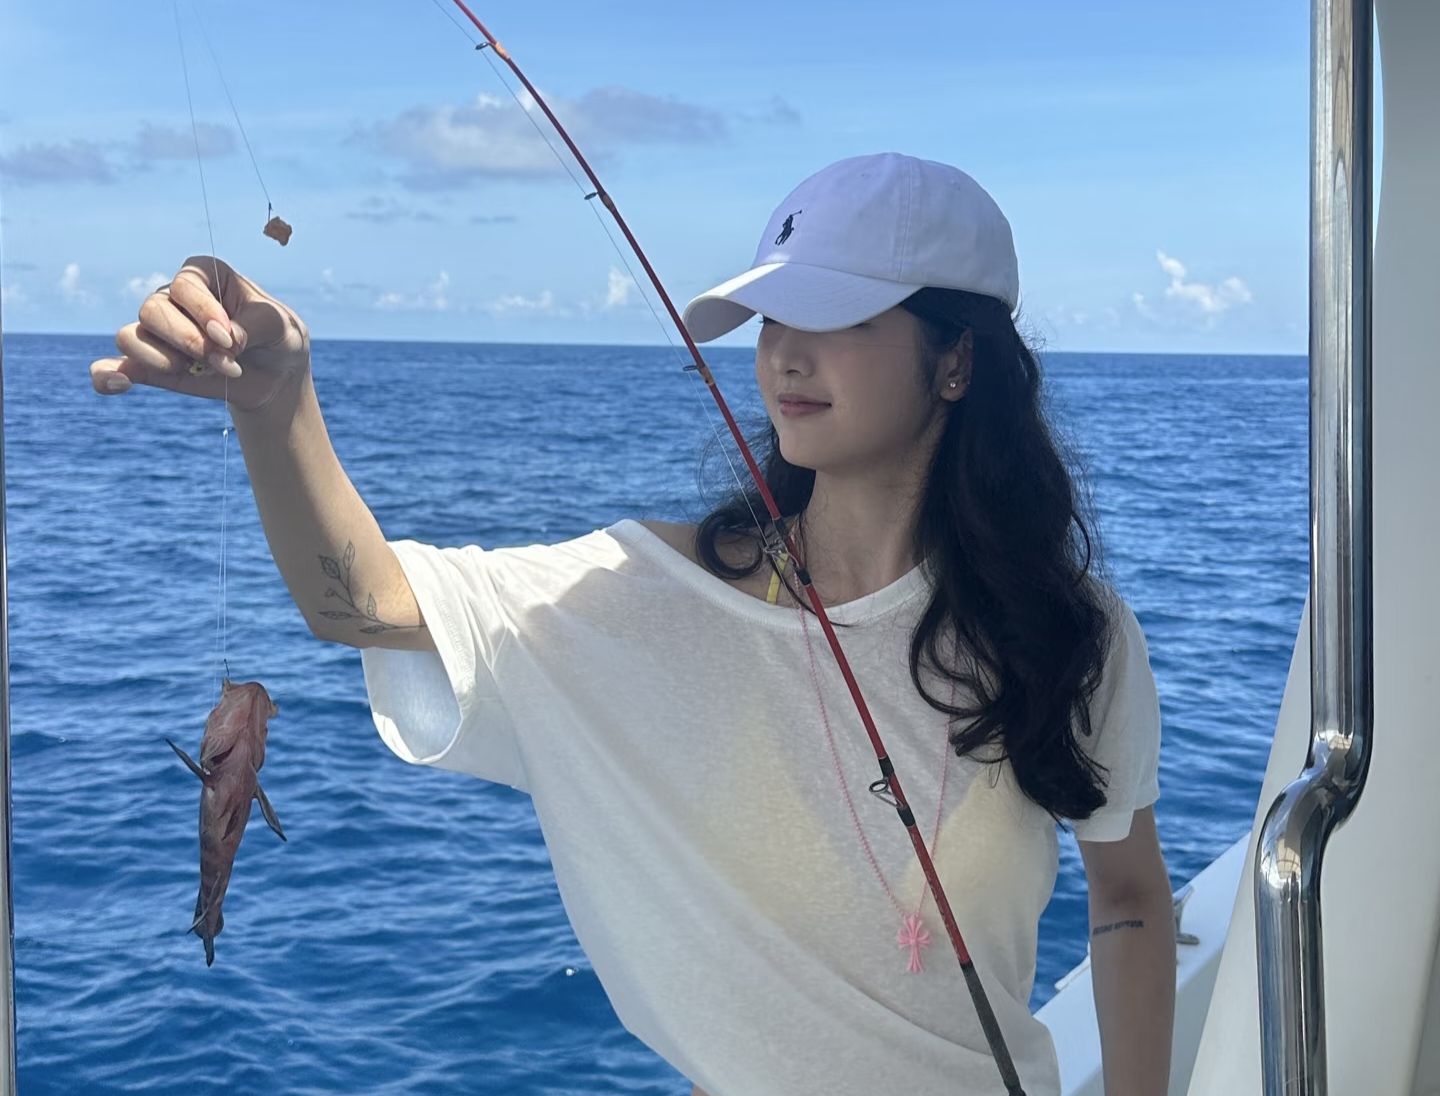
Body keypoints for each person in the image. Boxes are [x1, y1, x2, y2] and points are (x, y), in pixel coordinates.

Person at [88, 153, 1175, 1096]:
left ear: (958, 358)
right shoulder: (645, 595)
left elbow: (1128, 896)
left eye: (838, 316)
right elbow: (359, 603)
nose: (786, 351)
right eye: (772, 317)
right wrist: (278, 403)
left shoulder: (1071, 636)